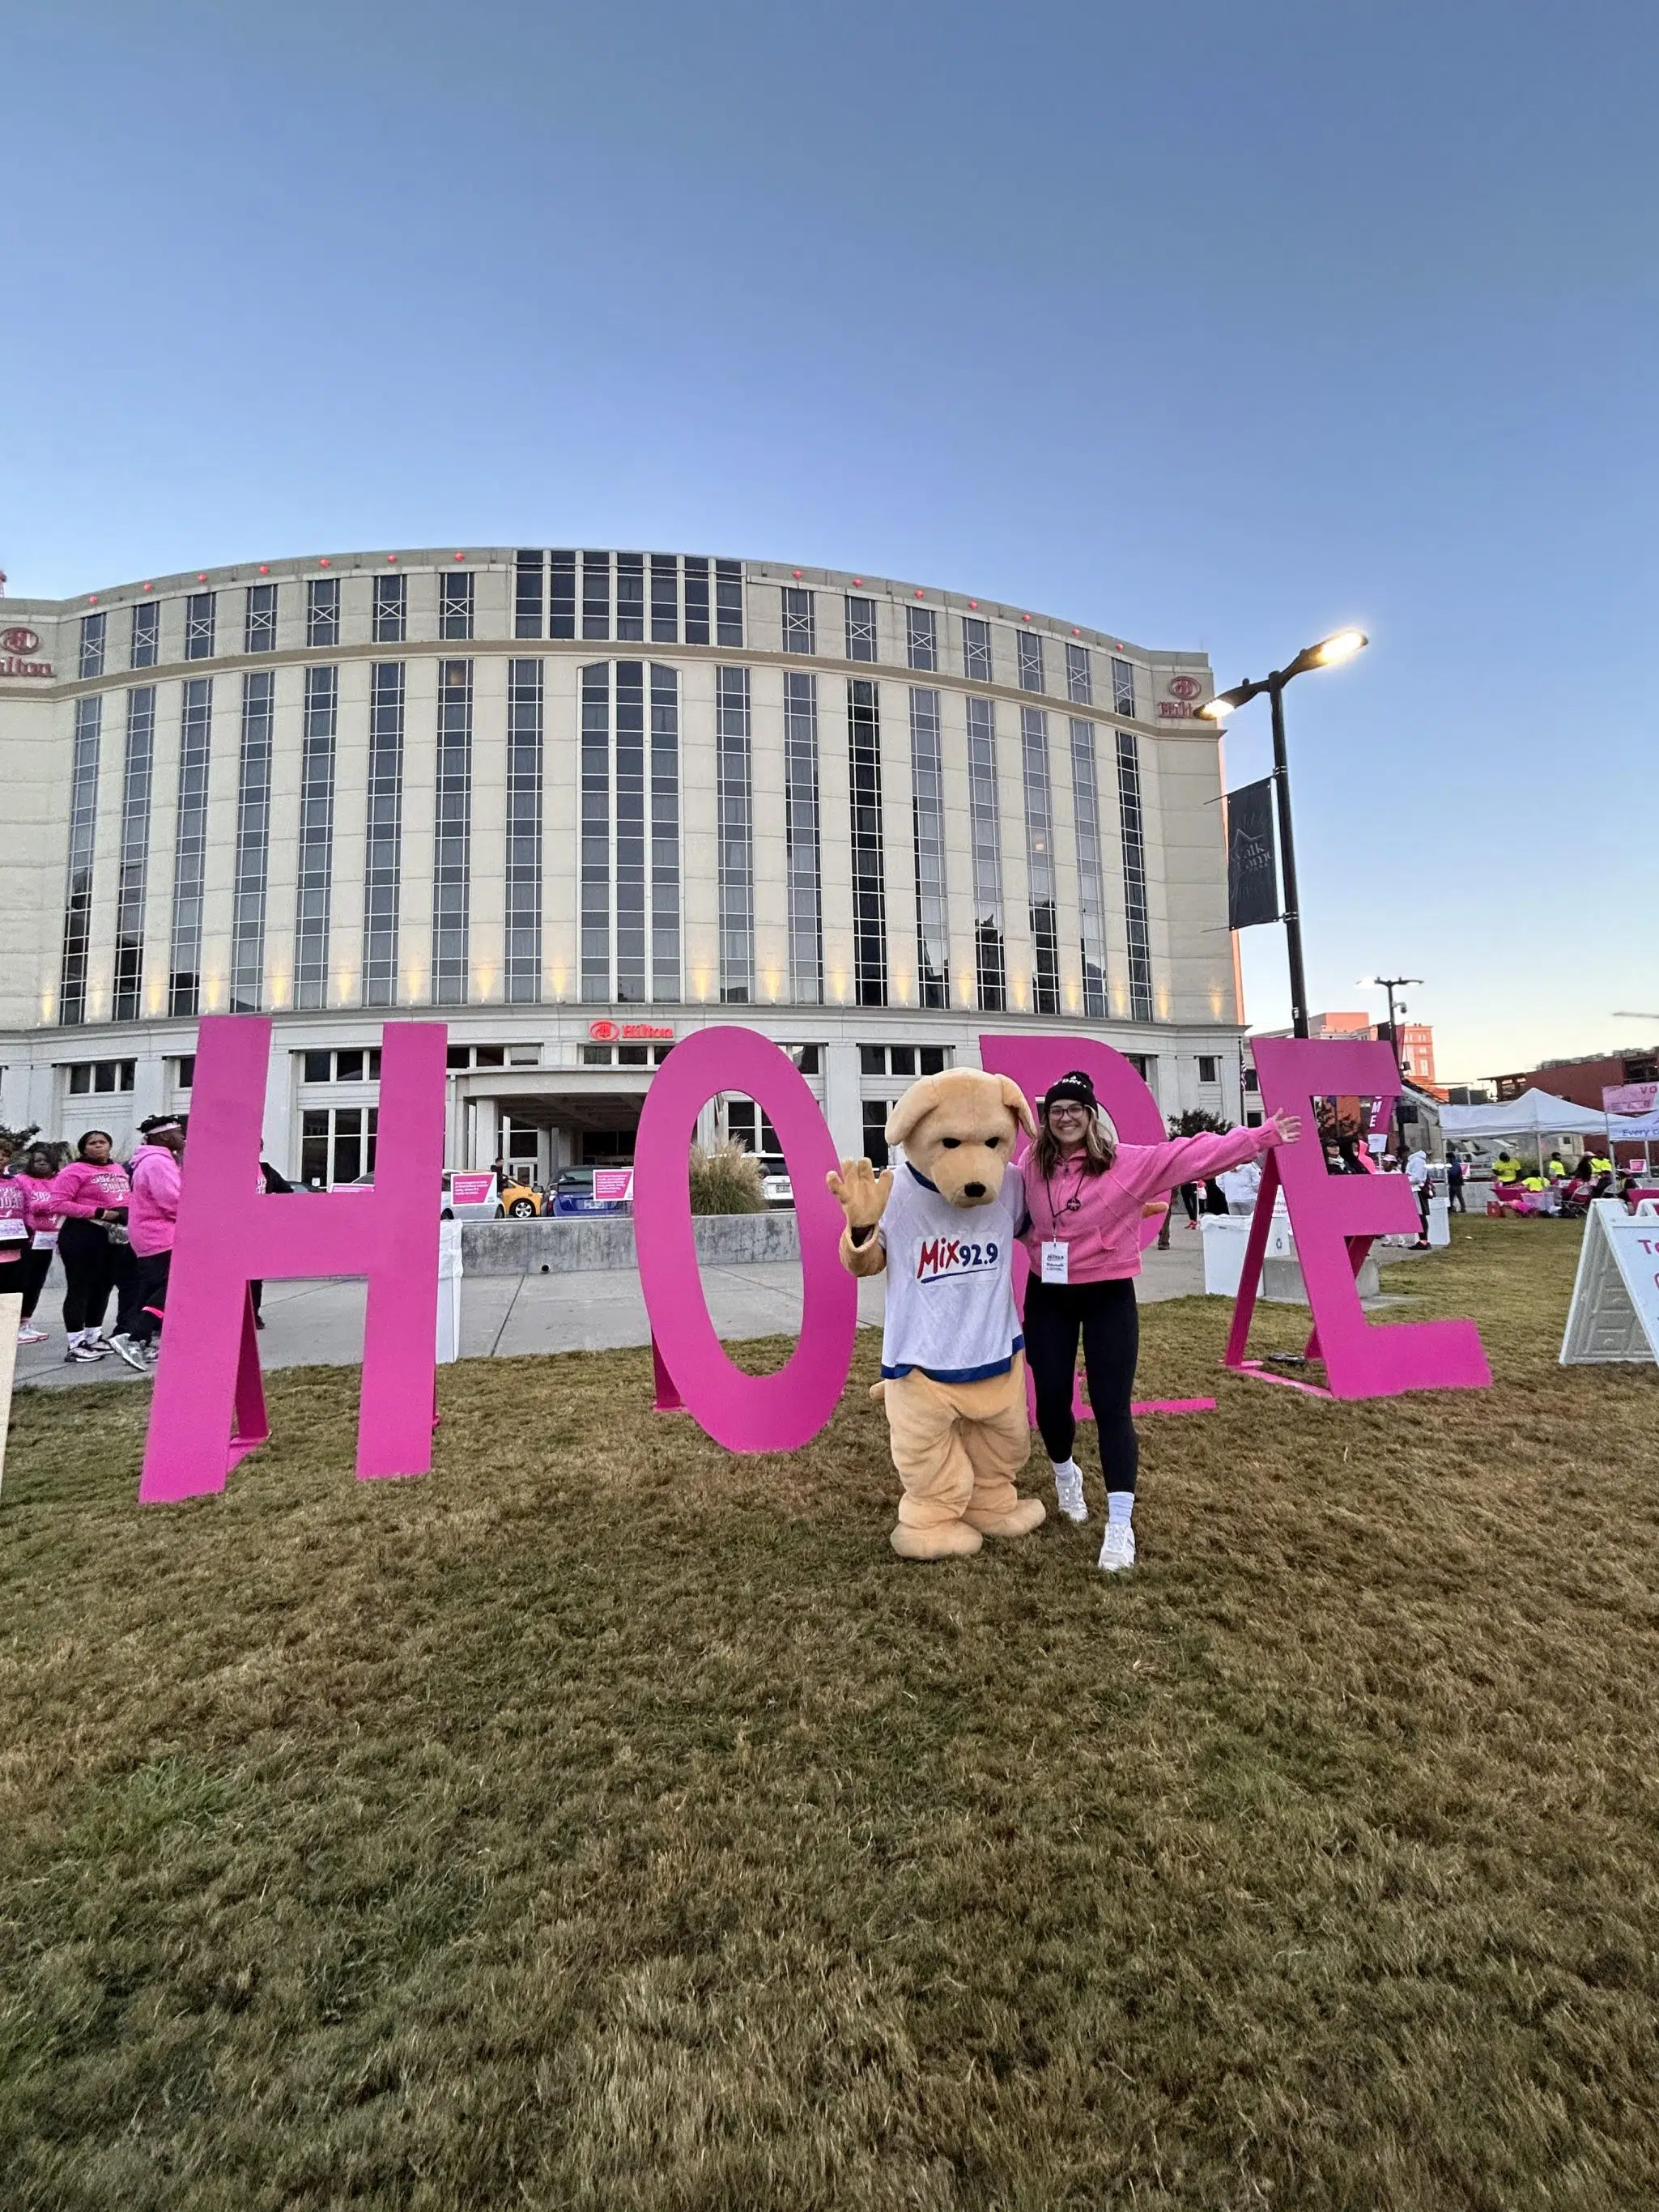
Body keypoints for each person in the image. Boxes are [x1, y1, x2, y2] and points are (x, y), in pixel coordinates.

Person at [1016, 1071, 1301, 1572]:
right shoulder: (1030, 1165)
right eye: (1056, 1110)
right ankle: (1066, 1475)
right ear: (1046, 1118)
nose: (1065, 1117)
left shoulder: (1126, 1162)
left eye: (1075, 1109)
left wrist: (1259, 1136)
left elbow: (1193, 1154)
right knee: (1052, 1403)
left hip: (1108, 1294)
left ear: (1091, 1115)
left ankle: (1120, 1524)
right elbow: (1010, 1211)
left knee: (1112, 1406)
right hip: (1049, 1294)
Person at [48, 1131, 135, 1362]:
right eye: (92, 1143)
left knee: (103, 1287)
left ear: (109, 1146)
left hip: (113, 1235)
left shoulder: (117, 1169)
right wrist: (100, 1212)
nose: (98, 1146)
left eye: (102, 1142)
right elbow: (58, 1203)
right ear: (84, 1149)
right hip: (83, 1234)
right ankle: (76, 1343)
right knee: (80, 1288)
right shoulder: (74, 1171)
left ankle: (94, 1335)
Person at [109, 1118, 185, 1370]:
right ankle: (134, 1338)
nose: (182, 1137)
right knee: (173, 1286)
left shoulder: (153, 1160)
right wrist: (196, 1219)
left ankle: (137, 1339)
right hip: (160, 1235)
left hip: (150, 1235)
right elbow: (172, 1200)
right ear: (163, 1137)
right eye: (177, 1132)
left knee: (151, 1289)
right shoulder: (157, 1162)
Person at [11, 1142, 64, 1344]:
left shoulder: (59, 1181)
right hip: (29, 1239)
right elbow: (28, 1205)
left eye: (46, 1161)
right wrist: (52, 1204)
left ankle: (26, 1322)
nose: (41, 1164)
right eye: (37, 1161)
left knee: (37, 1282)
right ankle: (12, 1323)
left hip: (49, 1239)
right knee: (22, 1281)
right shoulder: (21, 1180)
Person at [1406, 1148, 1432, 1248]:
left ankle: (1424, 1241)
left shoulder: (1417, 1161)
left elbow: (1417, 1177)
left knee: (1420, 1216)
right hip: (1416, 1189)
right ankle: (1423, 1240)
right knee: (1419, 1216)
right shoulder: (1417, 1160)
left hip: (1417, 1190)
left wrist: (1404, 1179)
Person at [1446, 1147, 1465, 1214]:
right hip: (1454, 1183)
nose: (1447, 1160)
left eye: (1447, 1158)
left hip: (1456, 1182)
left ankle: (1462, 1208)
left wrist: (1447, 1171)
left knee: (1458, 1196)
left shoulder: (1455, 1164)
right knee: (1452, 1196)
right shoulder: (1454, 1163)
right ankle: (1452, 1208)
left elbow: (1454, 1173)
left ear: (1450, 1158)